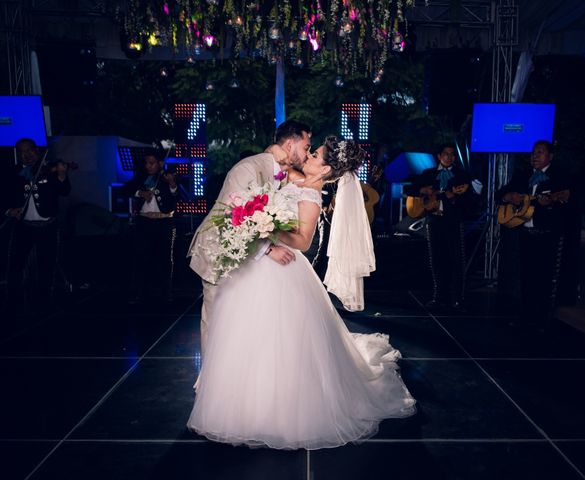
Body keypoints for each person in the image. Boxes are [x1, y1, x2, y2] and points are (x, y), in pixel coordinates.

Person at [187, 136, 415, 449]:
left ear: (325, 170)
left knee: (280, 341)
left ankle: (279, 410)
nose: (308, 156)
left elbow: (304, 241)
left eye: (316, 154)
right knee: (249, 336)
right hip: (259, 263)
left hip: (282, 269)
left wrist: (264, 227)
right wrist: (257, 222)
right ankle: (246, 400)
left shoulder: (312, 194)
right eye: (312, 149)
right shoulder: (294, 177)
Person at [188, 120, 312, 361]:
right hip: (219, 254)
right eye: (306, 147)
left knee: (237, 324)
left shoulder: (281, 174)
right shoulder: (249, 168)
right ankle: (210, 386)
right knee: (216, 321)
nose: (307, 154)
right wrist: (268, 250)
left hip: (244, 255)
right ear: (289, 144)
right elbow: (232, 218)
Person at [498, 140, 572, 332]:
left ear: (550, 156)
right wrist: (509, 197)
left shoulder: (559, 177)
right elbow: (501, 194)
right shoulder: (523, 175)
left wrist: (550, 204)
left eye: (540, 152)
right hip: (526, 235)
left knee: (545, 280)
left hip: (548, 237)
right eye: (533, 152)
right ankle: (526, 317)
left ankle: (542, 321)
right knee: (527, 279)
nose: (535, 156)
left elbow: (568, 205)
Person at [3, 138, 70, 316]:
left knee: (47, 266)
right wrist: (10, 211)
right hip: (23, 226)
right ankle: (12, 304)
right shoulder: (13, 173)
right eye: (22, 152)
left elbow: (64, 190)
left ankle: (45, 304)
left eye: (30, 150)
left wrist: (62, 175)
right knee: (15, 266)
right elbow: (3, 197)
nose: (27, 155)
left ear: (37, 150)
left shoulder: (49, 170)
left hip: (47, 226)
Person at [409, 143, 472, 310]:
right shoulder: (428, 174)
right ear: (439, 156)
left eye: (452, 155)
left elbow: (469, 201)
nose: (449, 157)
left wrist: (452, 198)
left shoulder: (461, 176)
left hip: (452, 222)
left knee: (456, 260)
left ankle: (458, 298)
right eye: (446, 154)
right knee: (437, 261)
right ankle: (439, 297)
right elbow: (412, 190)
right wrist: (423, 190)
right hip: (434, 221)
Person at [124, 150, 180, 303]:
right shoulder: (141, 178)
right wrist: (140, 193)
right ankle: (137, 292)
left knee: (165, 259)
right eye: (147, 163)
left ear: (160, 164)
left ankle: (166, 292)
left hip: (164, 222)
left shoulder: (167, 177)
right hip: (144, 222)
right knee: (140, 257)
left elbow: (177, 196)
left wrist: (172, 184)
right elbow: (125, 189)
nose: (148, 166)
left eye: (152, 163)